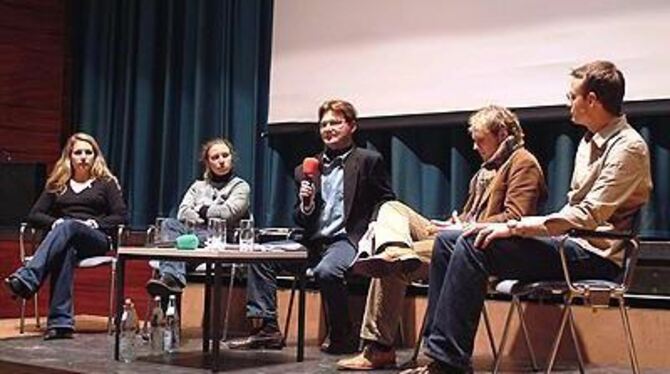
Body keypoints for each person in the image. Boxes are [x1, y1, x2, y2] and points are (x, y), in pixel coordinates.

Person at [403, 60, 653, 374]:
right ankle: (438, 356)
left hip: (598, 256)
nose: (568, 103)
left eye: (572, 96)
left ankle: (449, 364)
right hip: (570, 244)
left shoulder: (628, 147)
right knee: (449, 242)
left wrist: (515, 227)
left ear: (592, 100)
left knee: (471, 243)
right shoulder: (588, 142)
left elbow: (588, 214)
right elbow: (573, 212)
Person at [337, 105, 547, 370]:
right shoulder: (484, 171)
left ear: (502, 132)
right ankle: (396, 251)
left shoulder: (523, 163)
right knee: (391, 209)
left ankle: (379, 347)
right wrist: (451, 224)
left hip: (478, 247)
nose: (474, 146)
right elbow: (471, 215)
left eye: (479, 139)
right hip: (458, 236)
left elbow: (517, 218)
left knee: (391, 261)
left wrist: (464, 226)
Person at [227, 99, 396, 353]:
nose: (328, 128)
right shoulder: (306, 168)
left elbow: (386, 199)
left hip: (346, 240)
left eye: (335, 123)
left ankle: (342, 334)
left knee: (327, 271)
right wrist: (306, 203)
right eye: (324, 124)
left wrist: (373, 229)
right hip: (312, 241)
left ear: (352, 126)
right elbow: (301, 217)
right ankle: (267, 330)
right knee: (259, 256)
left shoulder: (368, 160)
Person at [4, 133, 128, 340]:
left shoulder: (106, 183)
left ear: (95, 156)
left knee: (70, 226)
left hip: (96, 238)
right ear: (69, 156)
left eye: (88, 152)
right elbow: (34, 215)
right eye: (78, 152)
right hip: (66, 238)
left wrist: (94, 223)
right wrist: (56, 223)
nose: (83, 157)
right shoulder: (58, 183)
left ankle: (28, 277)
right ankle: (60, 324)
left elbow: (121, 216)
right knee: (65, 247)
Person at [146, 137, 250, 297]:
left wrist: (200, 209)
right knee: (169, 223)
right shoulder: (198, 187)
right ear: (208, 163)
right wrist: (209, 213)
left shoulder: (240, 186)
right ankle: (173, 276)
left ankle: (171, 277)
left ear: (232, 158)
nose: (221, 161)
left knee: (177, 245)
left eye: (225, 155)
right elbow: (183, 212)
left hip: (220, 240)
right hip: (193, 237)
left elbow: (227, 214)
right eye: (215, 157)